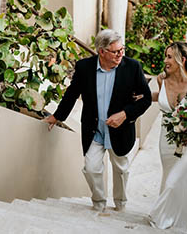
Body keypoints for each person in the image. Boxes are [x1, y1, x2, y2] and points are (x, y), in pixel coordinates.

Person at [43, 29, 152, 212]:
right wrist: (57, 116)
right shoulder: (85, 67)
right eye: (115, 51)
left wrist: (125, 114)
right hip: (94, 129)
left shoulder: (132, 67)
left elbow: (146, 99)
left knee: (121, 169)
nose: (120, 55)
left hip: (121, 130)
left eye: (122, 50)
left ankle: (120, 204)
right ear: (102, 51)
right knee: (91, 168)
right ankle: (99, 203)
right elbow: (72, 94)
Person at [148, 41, 187, 229]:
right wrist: (144, 96)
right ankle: (183, 214)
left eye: (169, 56)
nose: (165, 60)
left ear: (182, 60)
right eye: (165, 56)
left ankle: (161, 214)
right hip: (166, 138)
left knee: (176, 179)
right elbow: (162, 96)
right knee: (171, 176)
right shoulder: (161, 80)